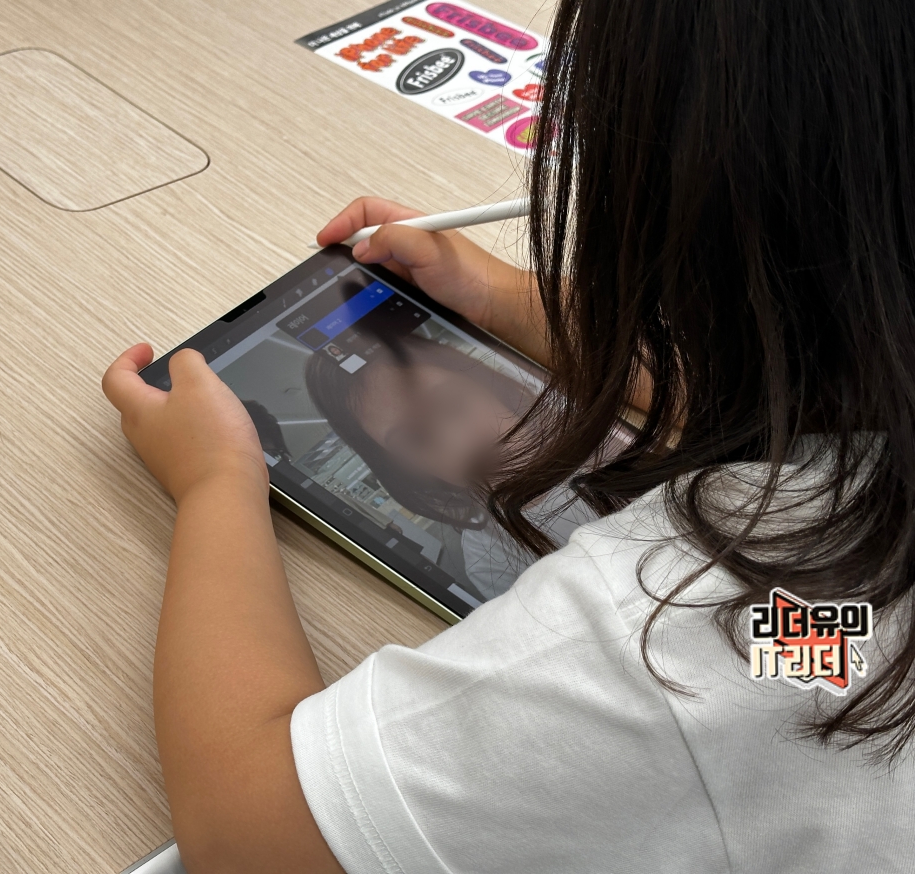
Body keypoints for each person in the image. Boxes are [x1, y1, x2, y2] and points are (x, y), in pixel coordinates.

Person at [101, 0, 915, 870]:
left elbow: (248, 837)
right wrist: (500, 297)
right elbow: (794, 385)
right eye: (418, 431)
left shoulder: (676, 620)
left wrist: (220, 482)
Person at [303, 331, 591, 599]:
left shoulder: (600, 427)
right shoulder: (492, 558)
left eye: (454, 404)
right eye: (416, 438)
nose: (460, 444)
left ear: (485, 383)